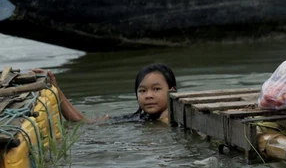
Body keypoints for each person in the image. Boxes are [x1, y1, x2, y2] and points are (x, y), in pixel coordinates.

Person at [31, 63, 177, 124]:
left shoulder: (177, 121)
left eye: (156, 89)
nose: (148, 95)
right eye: (142, 91)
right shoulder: (138, 119)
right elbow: (82, 122)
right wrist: (56, 89)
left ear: (172, 91)